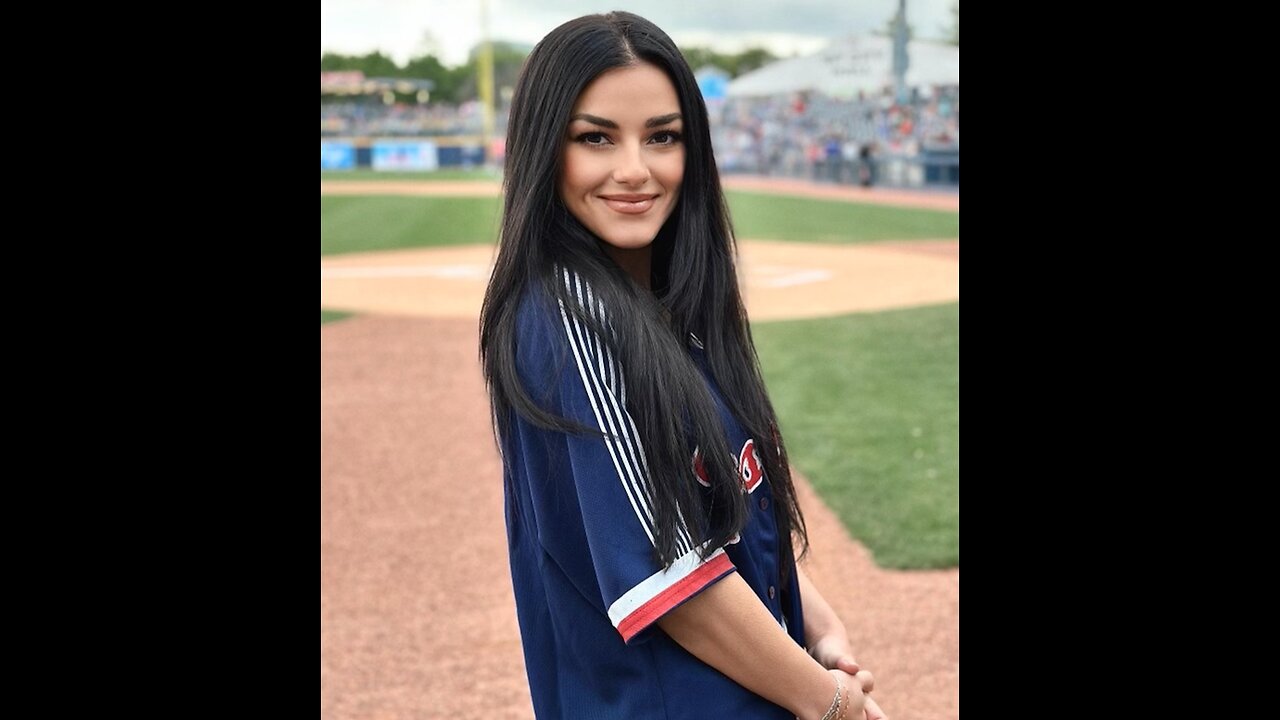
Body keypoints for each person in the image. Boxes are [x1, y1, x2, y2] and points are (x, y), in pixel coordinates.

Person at [480, 12, 887, 720]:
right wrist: (834, 706)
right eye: (595, 138)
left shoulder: (674, 308)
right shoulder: (569, 318)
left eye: (663, 137)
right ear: (547, 148)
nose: (635, 169)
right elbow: (672, 579)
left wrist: (814, 621)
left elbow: (722, 519)